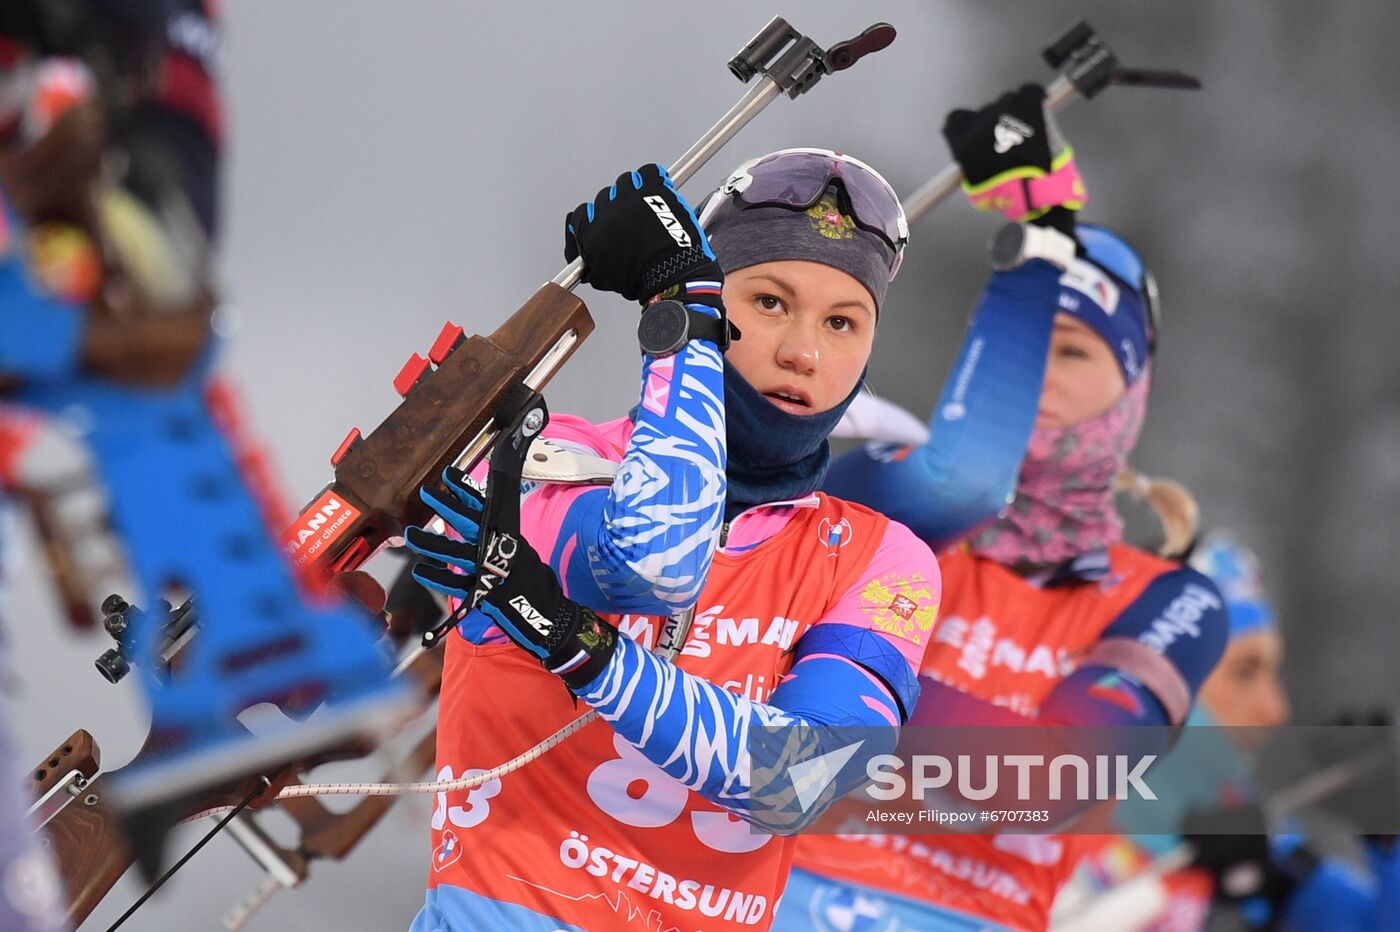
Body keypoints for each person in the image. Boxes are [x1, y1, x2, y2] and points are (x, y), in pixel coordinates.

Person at [404, 151, 942, 931]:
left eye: (841, 322)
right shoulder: (540, 463)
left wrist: (583, 649)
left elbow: (797, 780)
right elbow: (654, 559)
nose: (803, 352)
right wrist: (681, 307)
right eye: (766, 301)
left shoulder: (879, 557)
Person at [775, 85, 1228, 931]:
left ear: (1133, 390)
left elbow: (1046, 783)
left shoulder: (1172, 601)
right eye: (1026, 354)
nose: (1042, 381)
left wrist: (850, 692)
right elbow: (966, 475)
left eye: (1073, 352)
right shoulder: (896, 498)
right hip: (777, 895)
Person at [1063, 531, 1400, 932]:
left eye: (1273, 675)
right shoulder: (1038, 810)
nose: (1276, 711)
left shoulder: (1250, 841)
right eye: (1244, 673)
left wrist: (1388, 831)